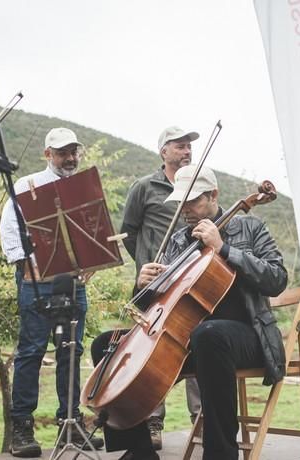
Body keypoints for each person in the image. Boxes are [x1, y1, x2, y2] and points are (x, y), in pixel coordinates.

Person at [136, 164, 286, 459]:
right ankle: (139, 452)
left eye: (192, 201)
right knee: (109, 344)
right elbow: (158, 306)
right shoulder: (179, 240)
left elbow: (277, 279)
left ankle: (221, 455)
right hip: (189, 339)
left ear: (214, 195)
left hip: (248, 336)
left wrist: (224, 248)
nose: (185, 210)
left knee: (209, 334)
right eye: (181, 202)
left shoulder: (250, 228)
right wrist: (144, 287)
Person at [0, 128, 103, 457]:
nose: (70, 158)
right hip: (35, 281)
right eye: (62, 153)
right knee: (30, 351)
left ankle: (70, 422)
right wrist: (24, 265)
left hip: (72, 282)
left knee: (69, 350)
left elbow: (95, 229)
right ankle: (21, 428)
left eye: (74, 152)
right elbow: (9, 229)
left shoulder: (85, 187)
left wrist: (93, 261)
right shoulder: (26, 185)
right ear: (48, 154)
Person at [120, 126, 202, 449]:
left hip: (191, 281)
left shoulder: (198, 185)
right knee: (151, 356)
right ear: (163, 151)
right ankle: (153, 422)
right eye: (180, 146)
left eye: (189, 147)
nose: (187, 151)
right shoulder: (143, 187)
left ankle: (202, 418)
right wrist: (144, 263)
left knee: (196, 343)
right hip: (154, 284)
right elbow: (128, 231)